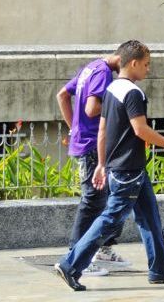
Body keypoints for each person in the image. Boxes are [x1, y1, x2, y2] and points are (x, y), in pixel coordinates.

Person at [53, 41, 164, 291]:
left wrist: (102, 165)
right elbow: (141, 130)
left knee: (150, 218)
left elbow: (103, 130)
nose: (149, 70)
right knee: (109, 219)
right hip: (129, 170)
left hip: (124, 168)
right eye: (147, 64)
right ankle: (70, 265)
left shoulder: (112, 88)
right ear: (134, 63)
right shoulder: (132, 93)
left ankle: (160, 268)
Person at [55, 43, 131, 276]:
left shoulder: (91, 67)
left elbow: (62, 95)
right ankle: (76, 257)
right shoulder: (103, 73)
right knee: (93, 201)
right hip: (90, 146)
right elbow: (91, 108)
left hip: (85, 141)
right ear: (122, 59)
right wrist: (119, 103)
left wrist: (73, 129)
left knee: (107, 199)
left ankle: (103, 249)